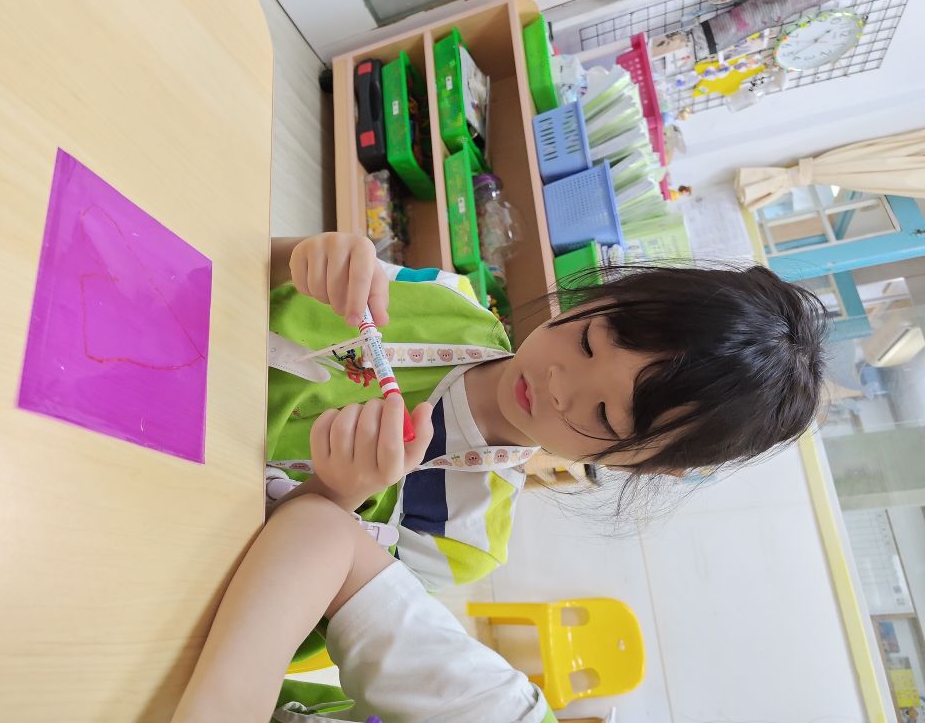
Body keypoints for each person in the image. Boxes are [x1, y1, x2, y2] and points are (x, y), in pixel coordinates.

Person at [267, 232, 827, 596]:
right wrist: (302, 255)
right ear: (598, 297)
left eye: (604, 415)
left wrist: (334, 495)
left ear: (640, 464)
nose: (558, 385)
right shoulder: (444, 297)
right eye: (587, 342)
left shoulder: (460, 539)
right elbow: (257, 272)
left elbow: (263, 603)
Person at [171, 396, 557, 723]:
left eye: (593, 413)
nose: (559, 388)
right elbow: (316, 556)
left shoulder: (471, 540)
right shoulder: (498, 708)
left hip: (194, 601)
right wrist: (332, 494)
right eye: (584, 343)